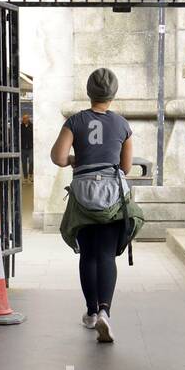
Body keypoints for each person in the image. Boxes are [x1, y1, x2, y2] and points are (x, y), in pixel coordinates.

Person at [50, 67, 135, 343]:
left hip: (84, 196)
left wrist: (76, 160)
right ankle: (104, 312)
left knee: (88, 255)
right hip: (112, 195)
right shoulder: (122, 125)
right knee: (107, 256)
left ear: (89, 92)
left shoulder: (75, 122)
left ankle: (89, 312)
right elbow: (126, 167)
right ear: (113, 94)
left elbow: (58, 157)